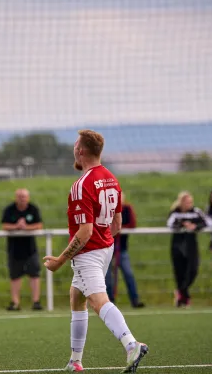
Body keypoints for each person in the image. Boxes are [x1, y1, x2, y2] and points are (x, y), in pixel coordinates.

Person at [43, 129, 148, 373]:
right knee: (76, 296)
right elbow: (118, 224)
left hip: (89, 252)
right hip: (105, 248)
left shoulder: (82, 185)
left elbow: (85, 231)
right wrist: (104, 243)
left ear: (81, 151)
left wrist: (59, 260)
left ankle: (131, 344)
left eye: (75, 145)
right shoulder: (111, 178)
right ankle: (75, 361)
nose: (73, 148)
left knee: (97, 300)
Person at [1, 188, 44, 311]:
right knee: (15, 276)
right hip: (14, 249)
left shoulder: (33, 209)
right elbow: (4, 226)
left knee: (34, 274)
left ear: (28, 198)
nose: (22, 199)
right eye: (19, 197)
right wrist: (16, 226)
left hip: (30, 249)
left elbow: (39, 225)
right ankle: (15, 303)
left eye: (24, 197)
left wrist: (26, 227)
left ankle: (36, 302)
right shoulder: (9, 210)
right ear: (16, 198)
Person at [167, 191, 207, 308]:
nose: (190, 204)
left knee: (193, 270)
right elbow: (170, 224)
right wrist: (183, 225)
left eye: (191, 202)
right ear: (181, 202)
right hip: (177, 244)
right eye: (187, 202)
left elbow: (205, 222)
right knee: (179, 272)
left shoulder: (196, 211)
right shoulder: (175, 213)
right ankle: (184, 298)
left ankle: (181, 292)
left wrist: (195, 226)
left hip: (191, 244)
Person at [105, 193, 144, 308]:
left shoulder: (127, 209)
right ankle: (109, 301)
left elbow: (132, 224)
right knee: (107, 276)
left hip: (121, 248)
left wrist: (119, 229)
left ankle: (135, 299)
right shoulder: (106, 209)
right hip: (107, 248)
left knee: (128, 274)